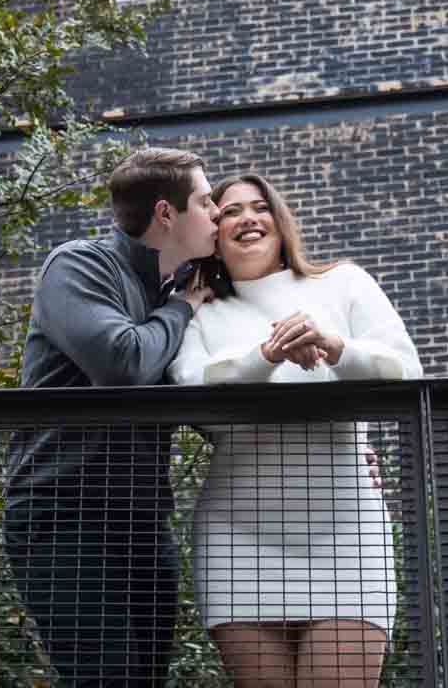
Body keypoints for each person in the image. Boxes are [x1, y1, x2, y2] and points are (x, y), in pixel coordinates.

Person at [169, 171, 422, 688]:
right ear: (213, 234)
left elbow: (406, 370)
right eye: (230, 211)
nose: (247, 218)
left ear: (280, 220)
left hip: (345, 535)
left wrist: (335, 346)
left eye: (259, 207)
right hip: (238, 537)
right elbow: (192, 388)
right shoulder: (198, 311)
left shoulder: (343, 283)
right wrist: (266, 355)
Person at [4, 147, 220, 688]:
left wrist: (345, 444)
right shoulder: (80, 264)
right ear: (166, 214)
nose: (217, 213)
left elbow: (214, 399)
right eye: (205, 201)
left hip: (143, 522)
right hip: (63, 517)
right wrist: (182, 310)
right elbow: (122, 363)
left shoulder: (173, 289)